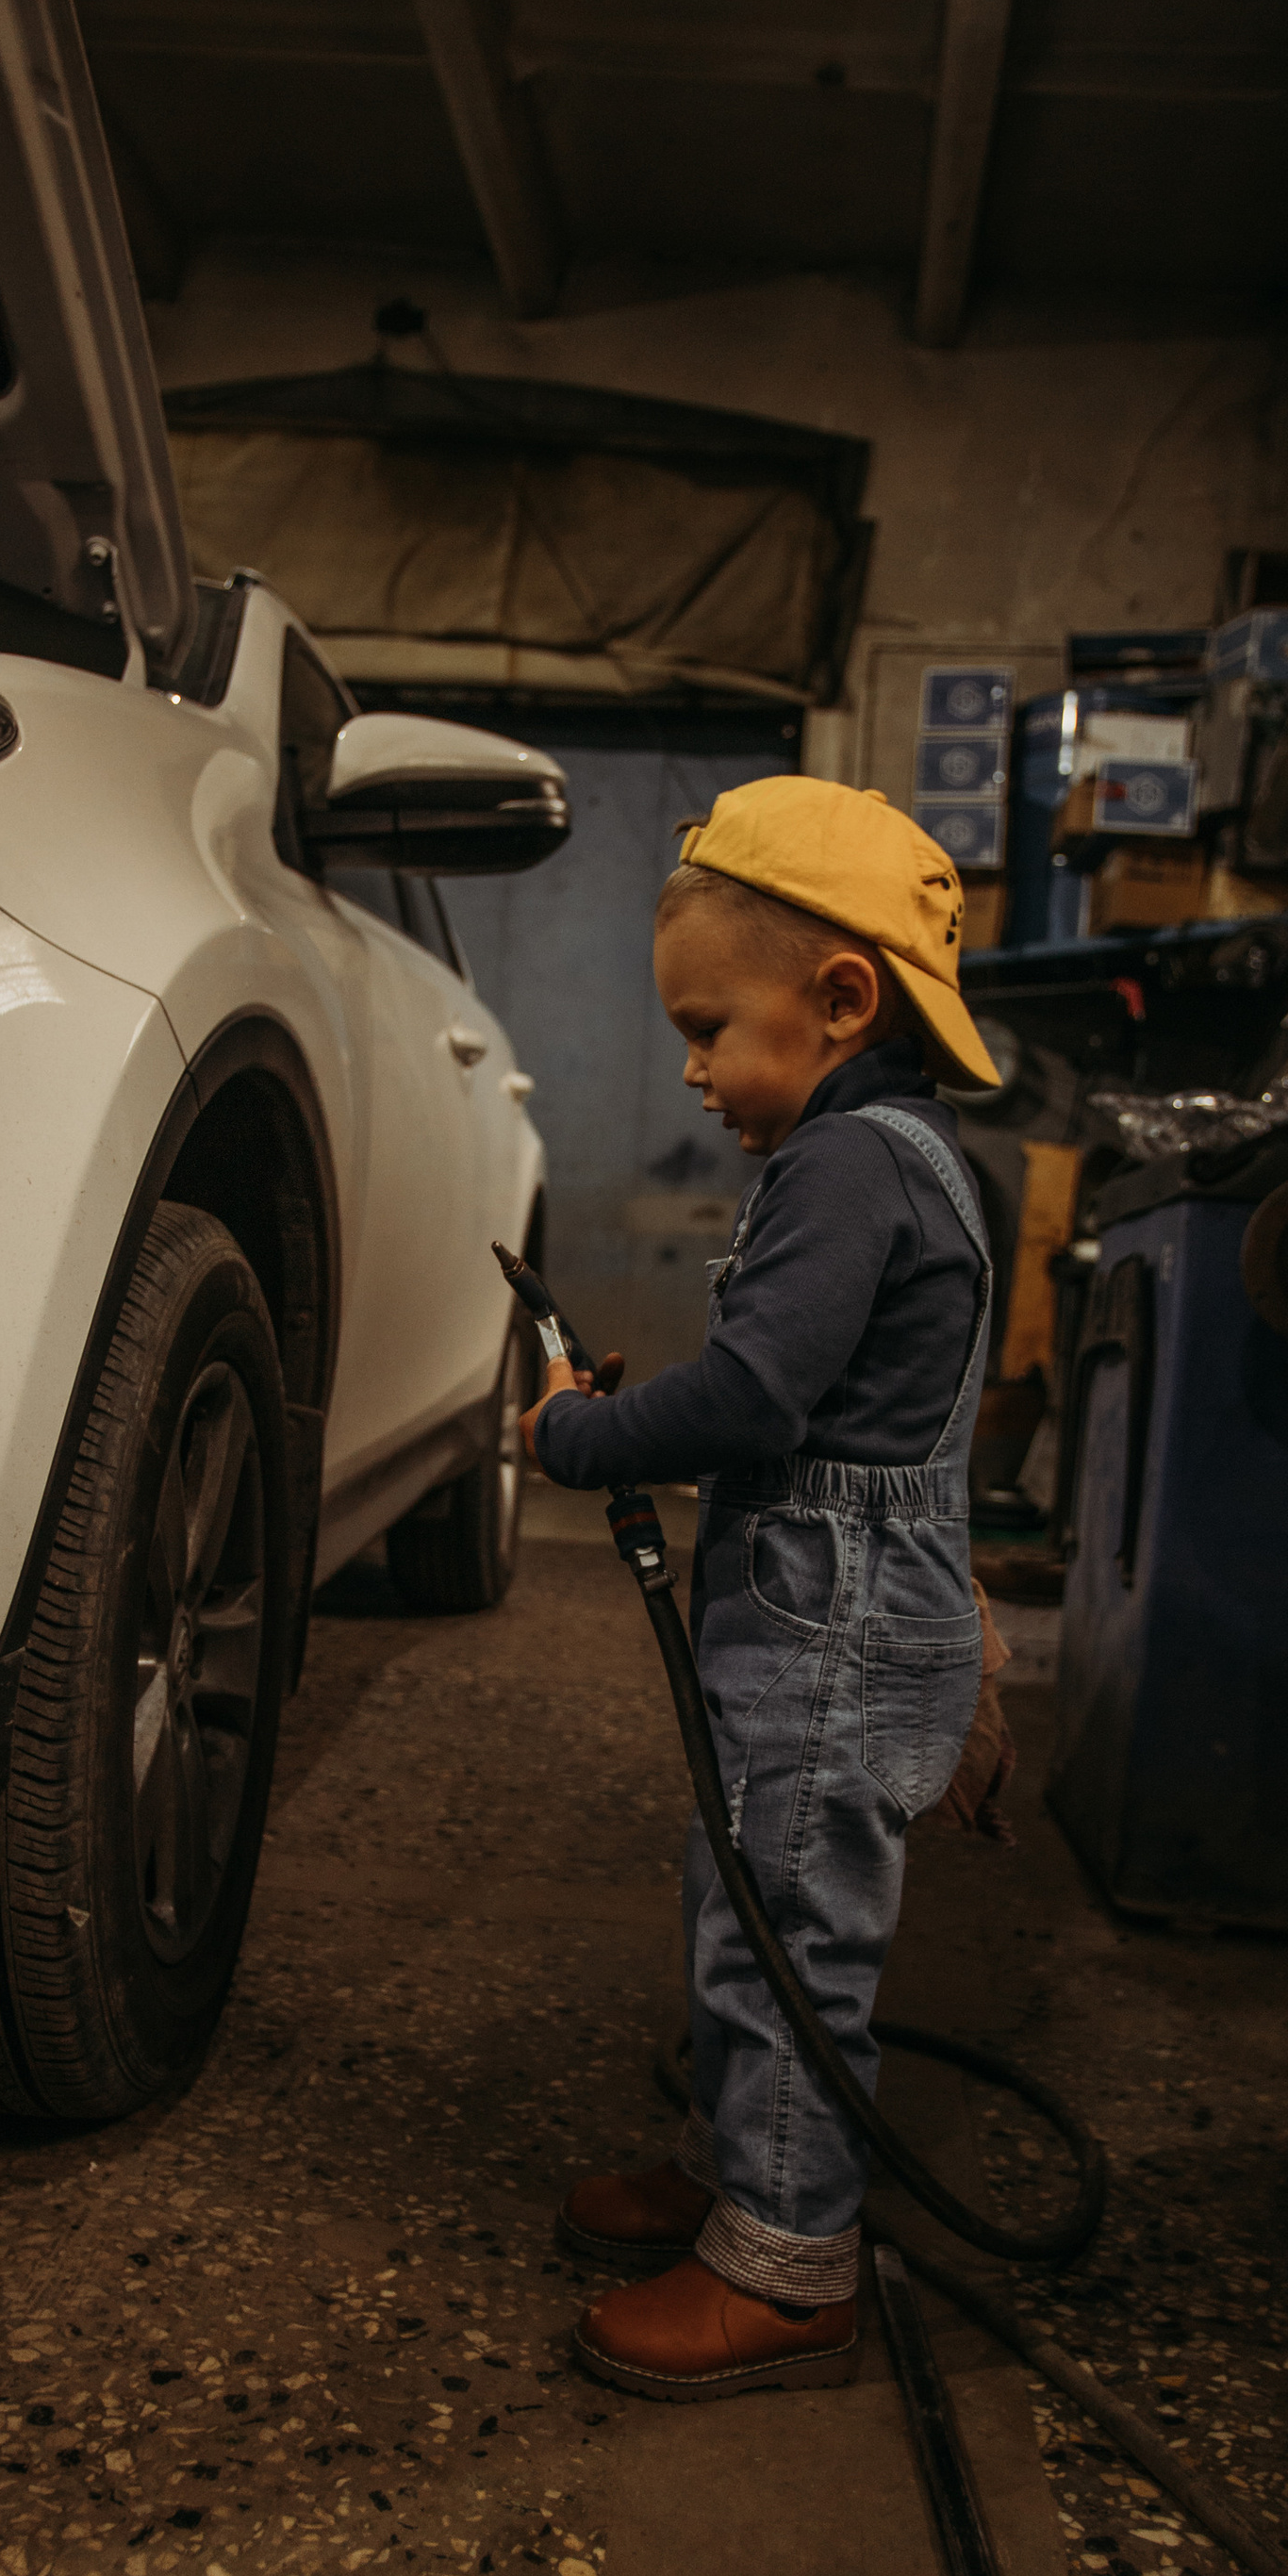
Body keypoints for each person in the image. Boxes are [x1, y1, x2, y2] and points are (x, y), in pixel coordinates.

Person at [520, 774, 1000, 2403]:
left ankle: (790, 2267)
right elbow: (865, 1414)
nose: (696, 1067)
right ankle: (743, 2179)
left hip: (830, 1628)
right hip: (849, 1612)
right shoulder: (916, 1157)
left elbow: (750, 1401)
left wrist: (586, 1434)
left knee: (783, 1936)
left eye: (712, 1024)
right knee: (748, 1903)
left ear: (842, 999)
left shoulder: (844, 1163)